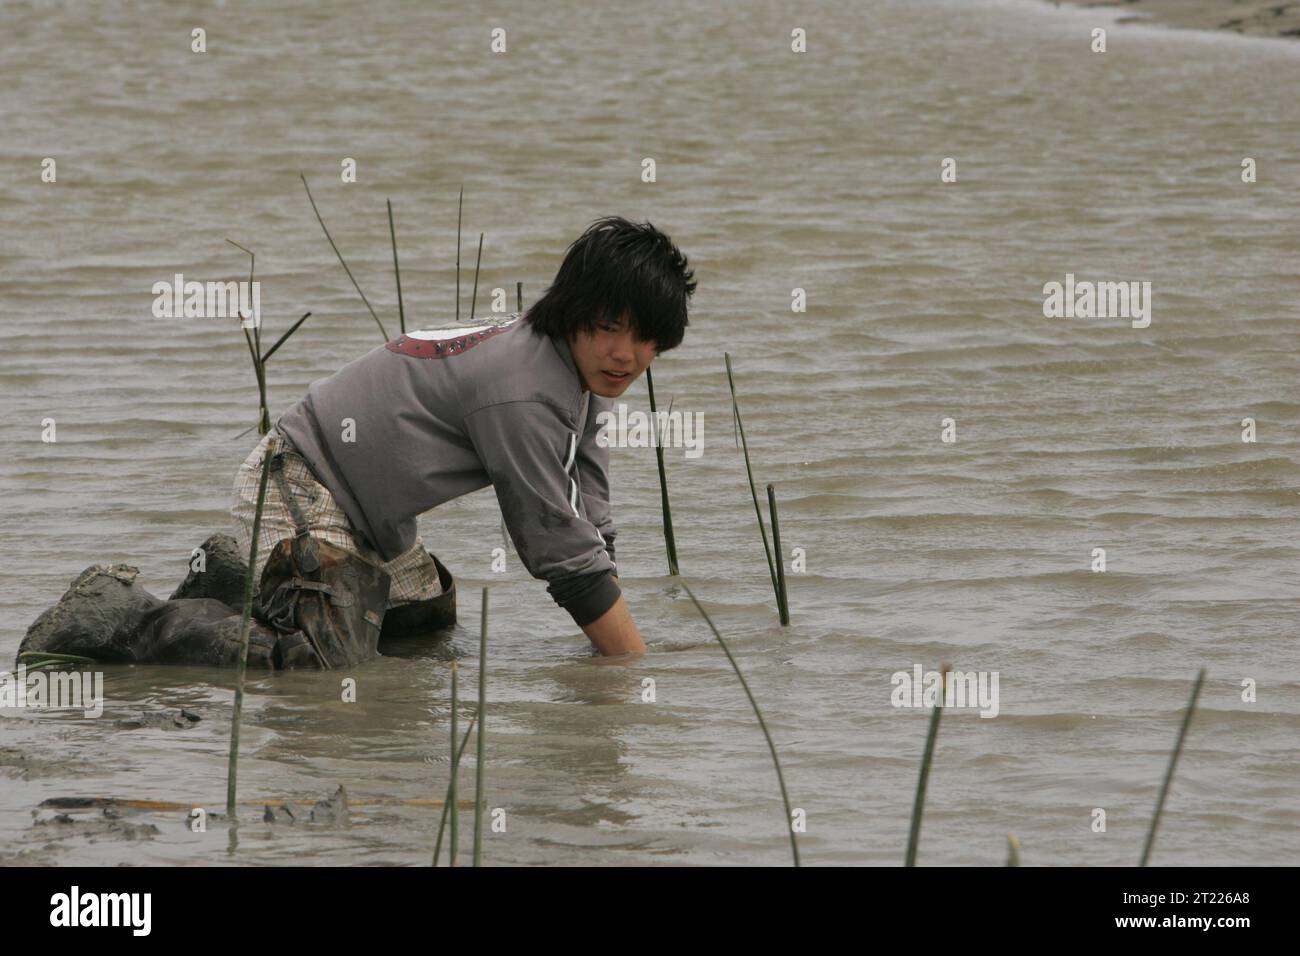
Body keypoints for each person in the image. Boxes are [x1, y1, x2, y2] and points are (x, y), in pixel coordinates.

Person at [233, 214, 696, 662]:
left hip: (375, 518)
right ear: (574, 312)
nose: (625, 355)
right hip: (296, 480)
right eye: (609, 328)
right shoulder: (525, 392)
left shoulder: (584, 371)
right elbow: (558, 547)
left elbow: (588, 515)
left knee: (422, 640)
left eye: (644, 338)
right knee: (318, 664)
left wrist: (610, 638)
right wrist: (631, 666)